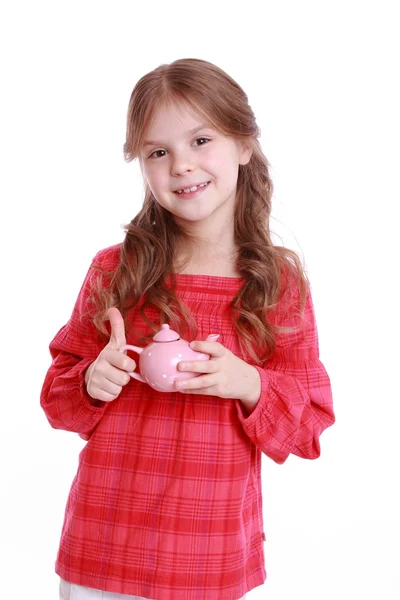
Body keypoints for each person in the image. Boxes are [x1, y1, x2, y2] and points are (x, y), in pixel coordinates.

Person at [41, 58, 335, 600]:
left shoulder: (277, 281)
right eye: (159, 152)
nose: (181, 165)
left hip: (208, 561)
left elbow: (311, 421)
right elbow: (57, 401)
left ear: (244, 144)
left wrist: (249, 384)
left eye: (201, 140)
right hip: (101, 552)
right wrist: (91, 380)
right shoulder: (116, 270)